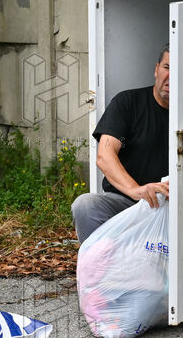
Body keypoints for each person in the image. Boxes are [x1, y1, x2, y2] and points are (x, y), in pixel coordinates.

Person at [71, 45, 170, 241]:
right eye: (167, 67)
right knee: (85, 205)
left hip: (172, 208)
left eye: (178, 70)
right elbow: (104, 155)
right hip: (126, 204)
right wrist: (136, 191)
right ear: (156, 69)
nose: (171, 76)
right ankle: (102, 260)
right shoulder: (128, 102)